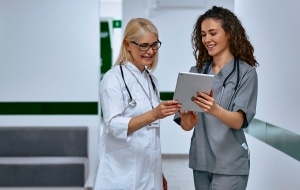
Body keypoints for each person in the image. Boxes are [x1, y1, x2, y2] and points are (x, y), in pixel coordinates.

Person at [174, 6, 259, 190]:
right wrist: (188, 120)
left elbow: (238, 121)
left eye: (213, 33)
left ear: (229, 33)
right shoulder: (195, 73)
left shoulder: (246, 73)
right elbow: (186, 125)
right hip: (201, 162)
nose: (207, 40)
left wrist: (214, 109)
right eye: (203, 34)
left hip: (230, 163)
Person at [94, 18, 181, 190]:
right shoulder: (113, 78)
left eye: (154, 45)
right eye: (144, 45)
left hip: (148, 172)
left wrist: (158, 172)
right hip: (121, 172)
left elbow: (150, 137)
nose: (150, 51)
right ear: (128, 45)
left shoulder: (151, 80)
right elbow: (113, 126)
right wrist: (153, 114)